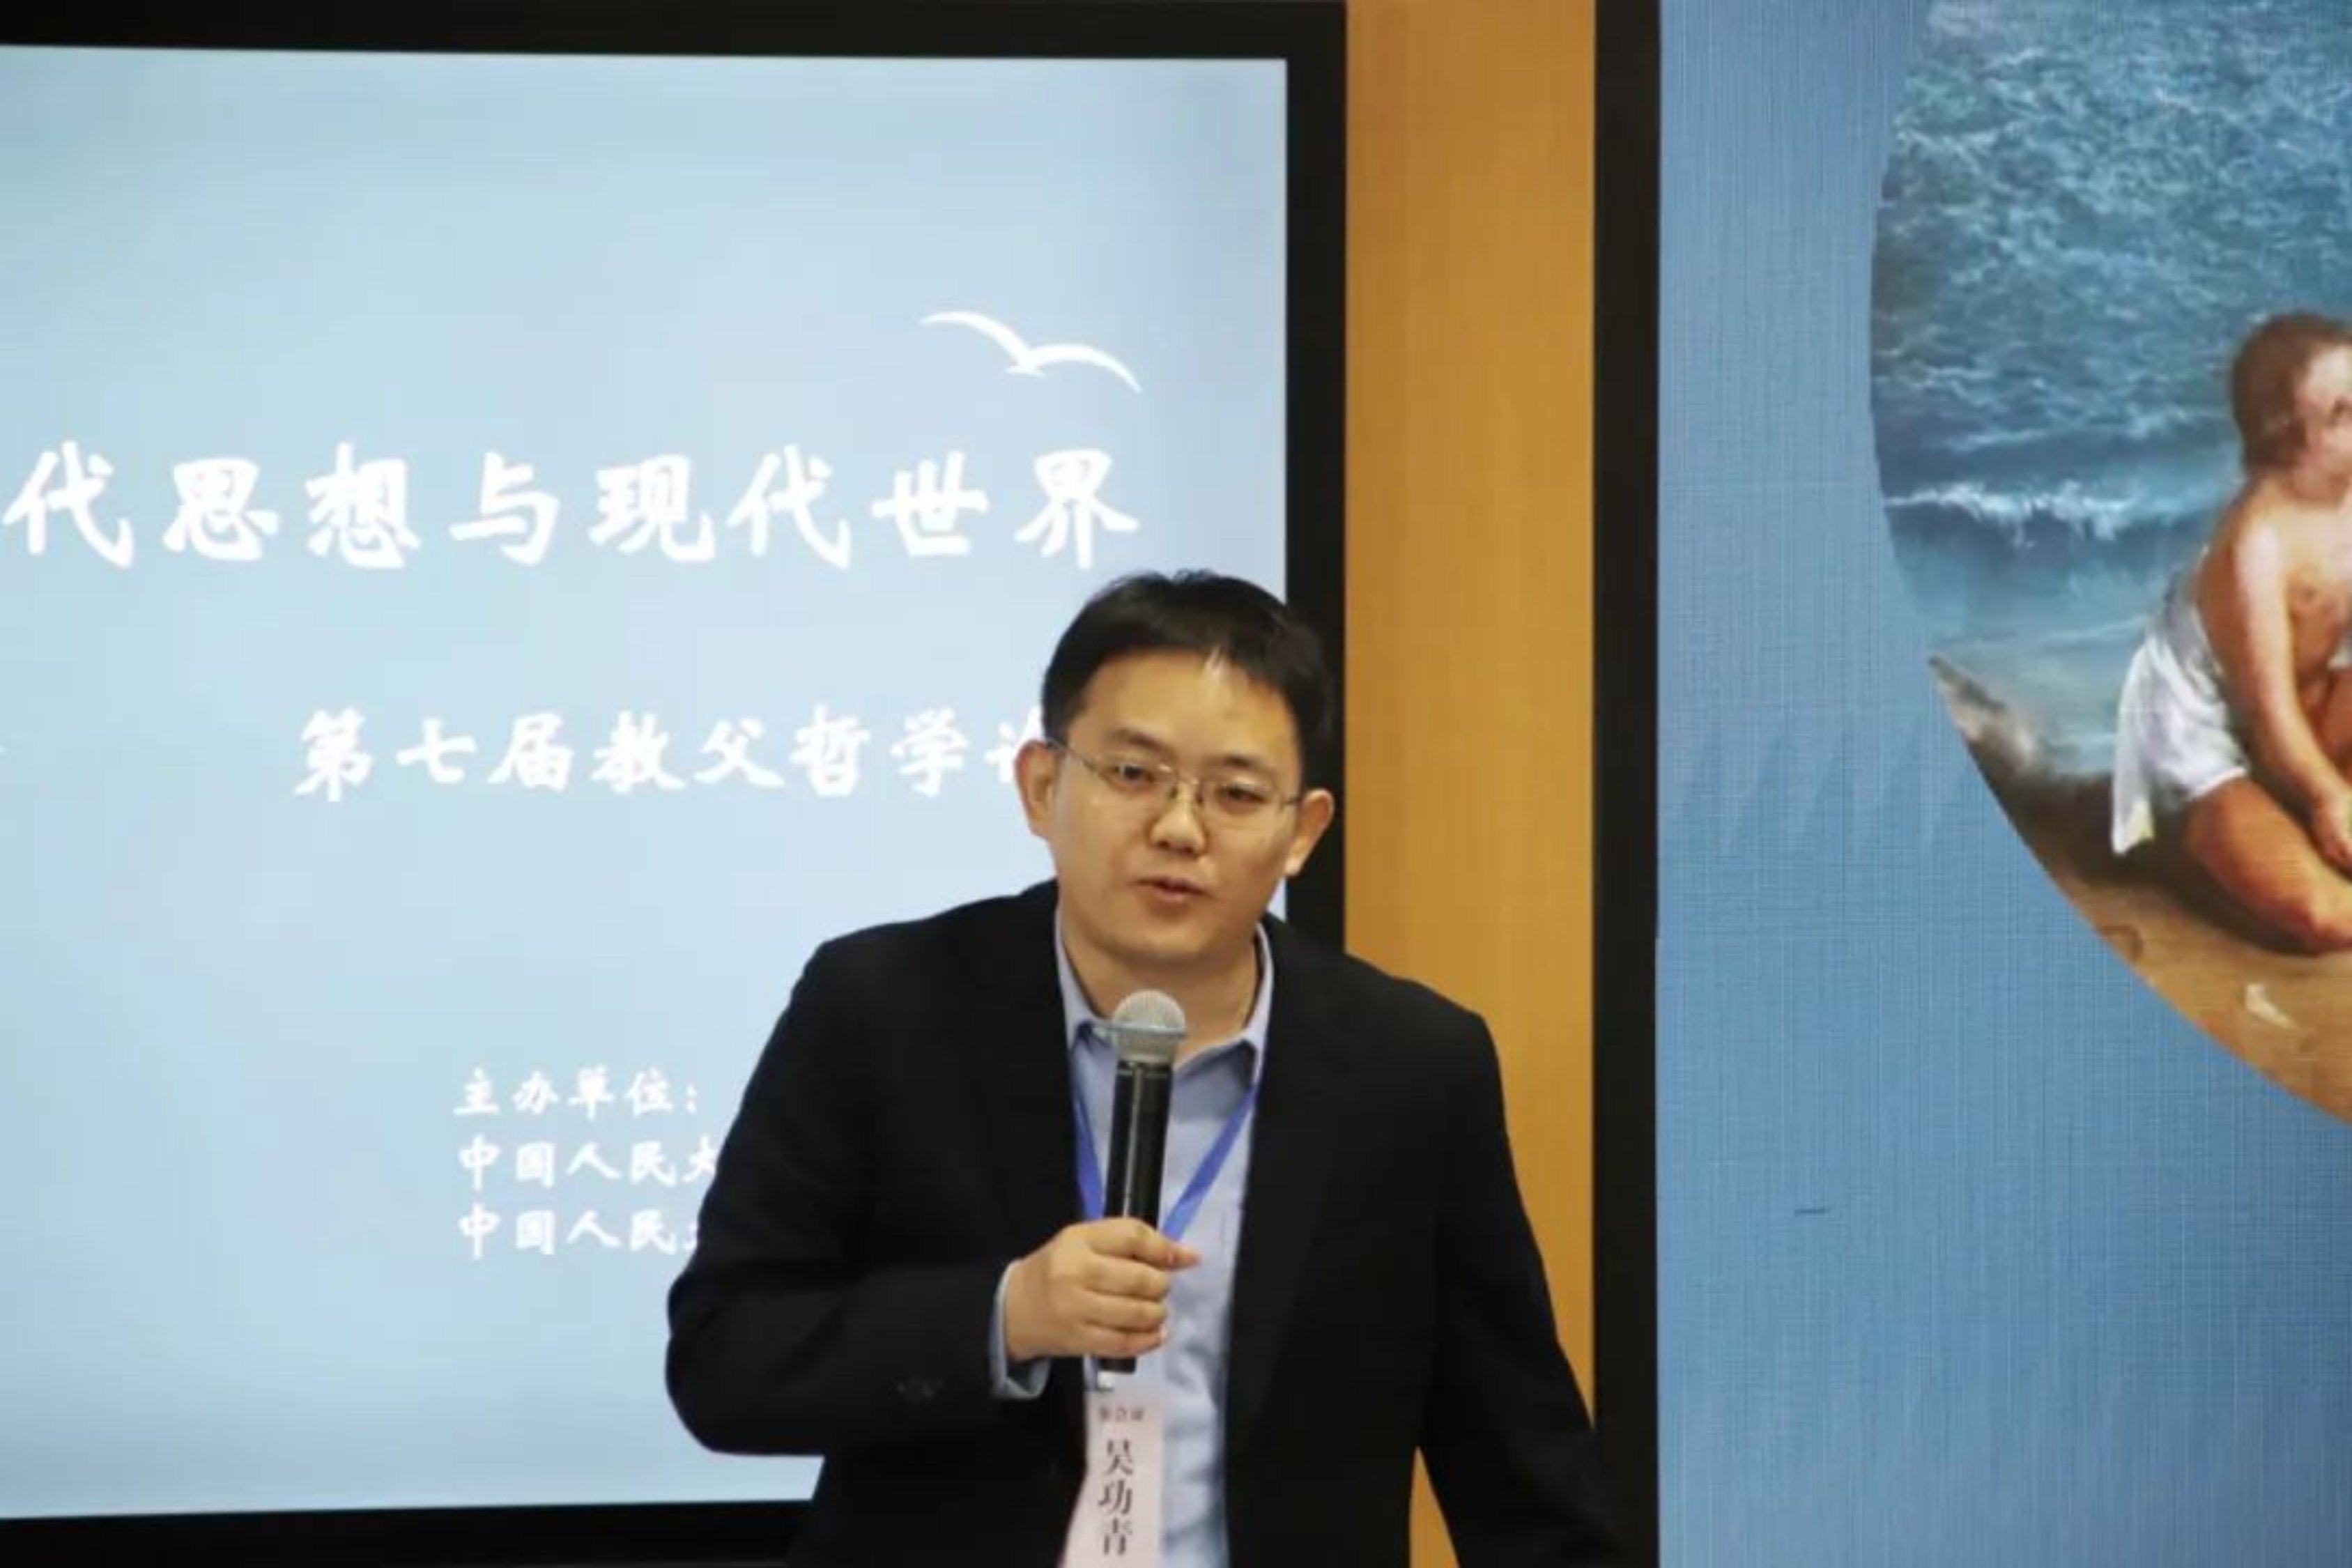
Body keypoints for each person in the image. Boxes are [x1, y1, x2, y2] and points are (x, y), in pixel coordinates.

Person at [664, 569, 1622, 1566]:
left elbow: (1521, 1466)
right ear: (1042, 786)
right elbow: (726, 1358)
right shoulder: (880, 1008)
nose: (1179, 828)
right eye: (1133, 773)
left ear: (1301, 832)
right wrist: (1003, 1316)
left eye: (1236, 793)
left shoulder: (1412, 1068)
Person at [2111, 312, 2352, 951]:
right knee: (2327, 916)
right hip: (2211, 749)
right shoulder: (2256, 542)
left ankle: (2284, 808)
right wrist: (2329, 796)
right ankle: (2204, 838)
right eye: (2341, 412)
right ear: (2287, 438)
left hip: (2299, 717)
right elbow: (2268, 715)